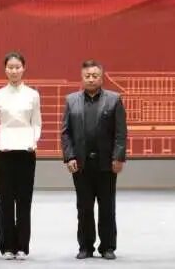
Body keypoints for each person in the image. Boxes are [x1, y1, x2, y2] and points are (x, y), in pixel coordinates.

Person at [61, 60, 127, 260]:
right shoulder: (71, 100)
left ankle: (107, 247)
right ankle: (85, 246)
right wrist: (69, 156)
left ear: (101, 77)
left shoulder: (114, 100)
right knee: (84, 208)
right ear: (82, 78)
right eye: (87, 76)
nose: (91, 79)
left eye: (95, 76)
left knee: (107, 207)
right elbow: (66, 133)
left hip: (106, 164)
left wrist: (118, 157)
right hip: (81, 164)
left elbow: (120, 133)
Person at [0, 52, 42, 260]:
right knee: (5, 200)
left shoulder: (32, 95)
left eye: (17, 67)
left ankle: (22, 246)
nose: (14, 71)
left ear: (23, 68)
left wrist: (33, 141)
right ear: (5, 70)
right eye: (10, 67)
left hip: (26, 152)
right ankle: (7, 246)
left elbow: (36, 123)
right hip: (5, 152)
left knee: (24, 200)